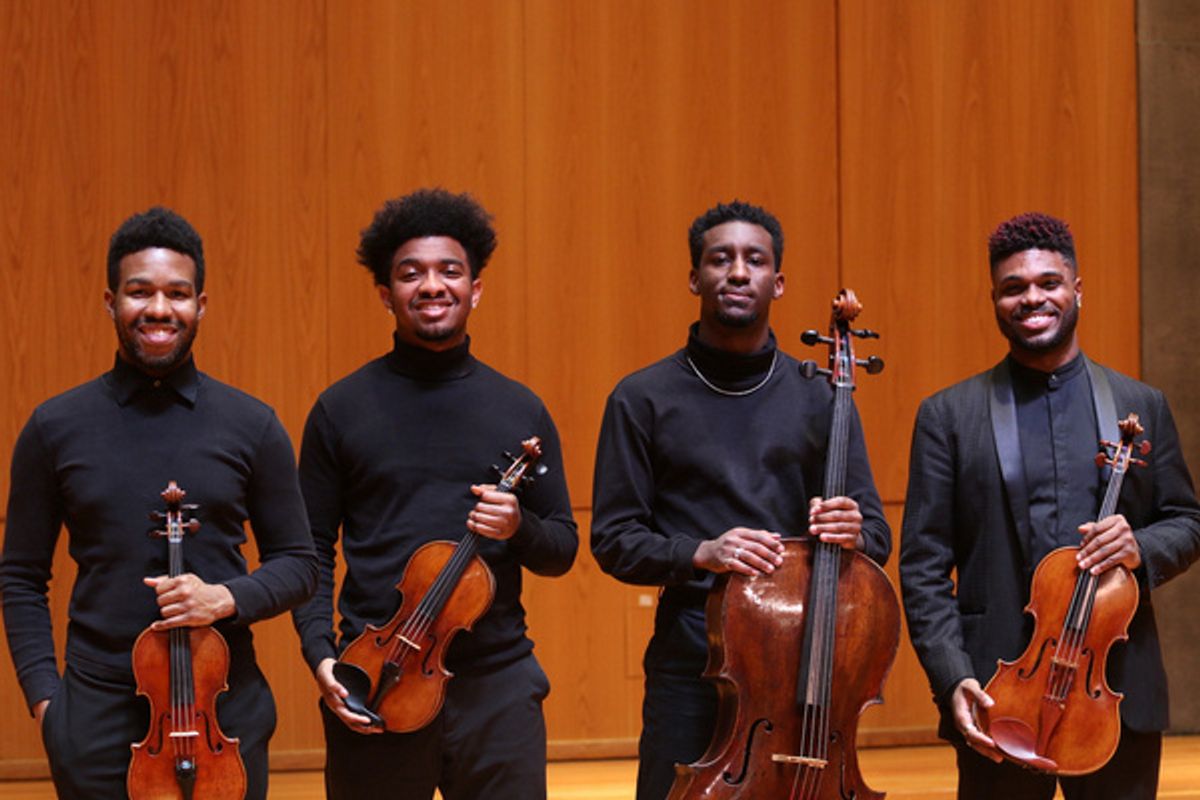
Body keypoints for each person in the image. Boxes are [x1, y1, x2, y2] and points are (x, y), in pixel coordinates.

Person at [0, 206, 318, 799]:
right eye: (138, 292)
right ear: (109, 301)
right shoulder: (54, 427)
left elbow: (300, 565)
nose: (159, 309)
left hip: (224, 709)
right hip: (94, 713)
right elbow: (20, 577)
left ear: (201, 304)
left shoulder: (253, 424)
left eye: (178, 293)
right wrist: (49, 704)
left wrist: (224, 596)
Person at [589, 200, 891, 800]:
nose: (736, 272)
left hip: (804, 665)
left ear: (777, 283)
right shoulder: (642, 398)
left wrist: (855, 530)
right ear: (694, 277)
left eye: (755, 260)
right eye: (719, 259)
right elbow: (614, 539)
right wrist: (700, 551)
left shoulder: (824, 394)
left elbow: (877, 536)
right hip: (691, 664)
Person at [900, 211, 1200, 799]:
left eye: (1048, 283)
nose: (1031, 298)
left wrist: (1141, 546)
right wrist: (951, 675)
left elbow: (1188, 521)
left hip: (1116, 693)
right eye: (1013, 288)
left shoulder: (1142, 404)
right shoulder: (948, 417)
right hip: (998, 693)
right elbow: (923, 567)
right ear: (995, 299)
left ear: (1076, 289)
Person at [290, 188, 577, 800]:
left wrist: (518, 527)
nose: (432, 285)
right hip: (378, 676)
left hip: (496, 686)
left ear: (476, 288)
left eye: (451, 271)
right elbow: (308, 551)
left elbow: (562, 549)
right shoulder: (339, 410)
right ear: (385, 293)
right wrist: (322, 658)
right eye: (410, 273)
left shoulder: (519, 408)